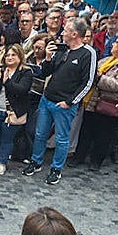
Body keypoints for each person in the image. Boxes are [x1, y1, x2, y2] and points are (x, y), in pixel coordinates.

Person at [22, 17, 98, 186]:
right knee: (40, 134)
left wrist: (70, 102)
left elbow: (88, 82)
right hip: (47, 99)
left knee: (62, 139)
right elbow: (45, 72)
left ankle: (56, 169)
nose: (62, 32)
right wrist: (48, 58)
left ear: (74, 33)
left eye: (65, 30)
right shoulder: (61, 50)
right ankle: (36, 162)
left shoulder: (88, 53)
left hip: (64, 104)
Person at [73, 32, 118, 170]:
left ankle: (96, 161)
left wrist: (99, 78)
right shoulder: (106, 60)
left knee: (103, 135)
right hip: (93, 101)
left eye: (117, 43)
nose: (113, 44)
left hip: (110, 104)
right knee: (86, 131)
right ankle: (79, 156)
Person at [0, 44, 32, 175]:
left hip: (12, 112)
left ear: (20, 56)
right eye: (7, 55)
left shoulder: (25, 72)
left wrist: (7, 81)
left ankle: (2, 162)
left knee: (7, 139)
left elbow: (22, 90)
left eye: (13, 55)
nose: (9, 57)